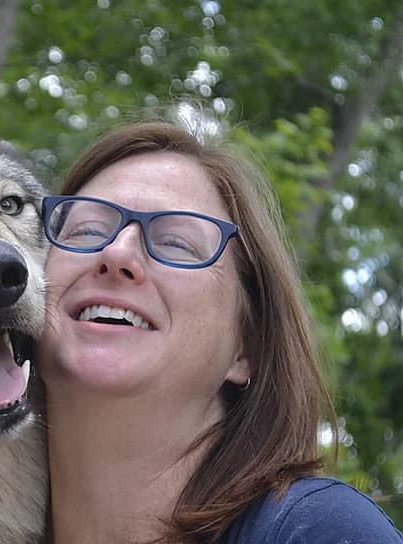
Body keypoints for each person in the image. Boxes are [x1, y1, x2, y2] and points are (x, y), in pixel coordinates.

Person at [37, 118, 403, 543]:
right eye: (86, 230)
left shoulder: (313, 530)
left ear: (246, 347)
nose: (117, 253)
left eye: (177, 243)